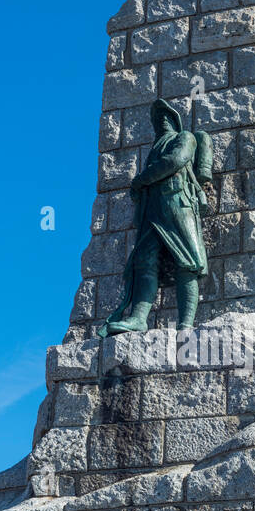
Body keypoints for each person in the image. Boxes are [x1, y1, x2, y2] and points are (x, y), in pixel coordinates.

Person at [98, 98, 214, 335]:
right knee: (144, 263)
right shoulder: (154, 149)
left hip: (178, 206)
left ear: (174, 120)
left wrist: (141, 179)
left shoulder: (185, 138)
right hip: (151, 212)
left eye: (165, 114)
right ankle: (139, 319)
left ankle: (185, 325)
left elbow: (175, 161)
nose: (160, 118)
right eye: (156, 116)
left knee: (188, 262)